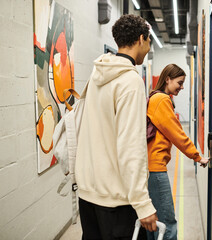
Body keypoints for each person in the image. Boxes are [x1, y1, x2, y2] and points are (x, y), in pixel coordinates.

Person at [75, 14, 157, 240]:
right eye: (149, 42)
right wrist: (143, 203)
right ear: (141, 39)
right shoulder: (130, 82)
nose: (148, 48)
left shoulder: (96, 75)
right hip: (116, 202)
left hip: (88, 196)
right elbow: (131, 147)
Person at [146, 64, 209, 240]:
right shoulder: (161, 100)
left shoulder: (154, 97)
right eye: (179, 83)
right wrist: (197, 157)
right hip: (156, 169)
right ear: (167, 79)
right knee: (167, 223)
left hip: (151, 168)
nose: (182, 87)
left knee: (154, 222)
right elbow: (176, 133)